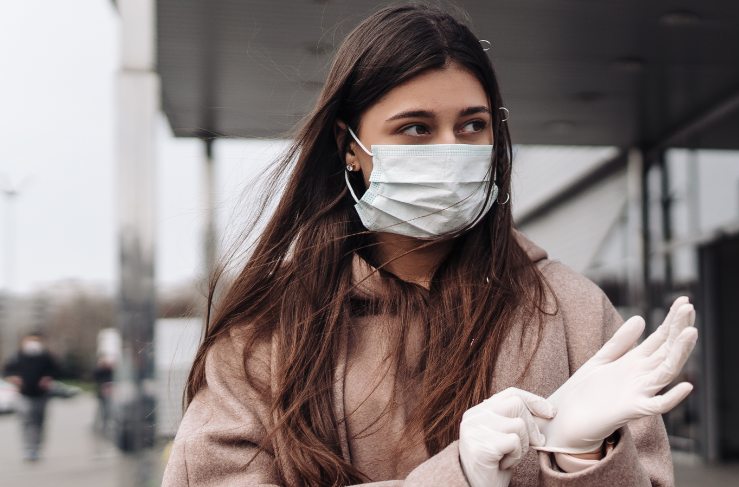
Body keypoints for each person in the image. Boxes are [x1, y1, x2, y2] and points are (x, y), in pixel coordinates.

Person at [161, 4, 698, 486]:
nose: (451, 151)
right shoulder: (270, 333)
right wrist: (456, 476)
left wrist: (584, 460)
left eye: (472, 125)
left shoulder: (573, 313)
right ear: (349, 147)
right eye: (415, 129)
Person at [3, 332, 61, 462]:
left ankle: (37, 448)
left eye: (36, 341)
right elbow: (7, 370)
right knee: (26, 422)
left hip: (41, 395)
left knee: (39, 422)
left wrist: (48, 378)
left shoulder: (46, 357)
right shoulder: (18, 356)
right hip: (23, 394)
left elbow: (57, 371)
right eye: (30, 340)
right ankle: (28, 449)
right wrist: (14, 378)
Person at [91, 355, 114, 435]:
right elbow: (95, 376)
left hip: (108, 393)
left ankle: (104, 425)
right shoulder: (99, 370)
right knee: (101, 410)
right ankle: (97, 426)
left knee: (106, 410)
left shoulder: (109, 370)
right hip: (101, 393)